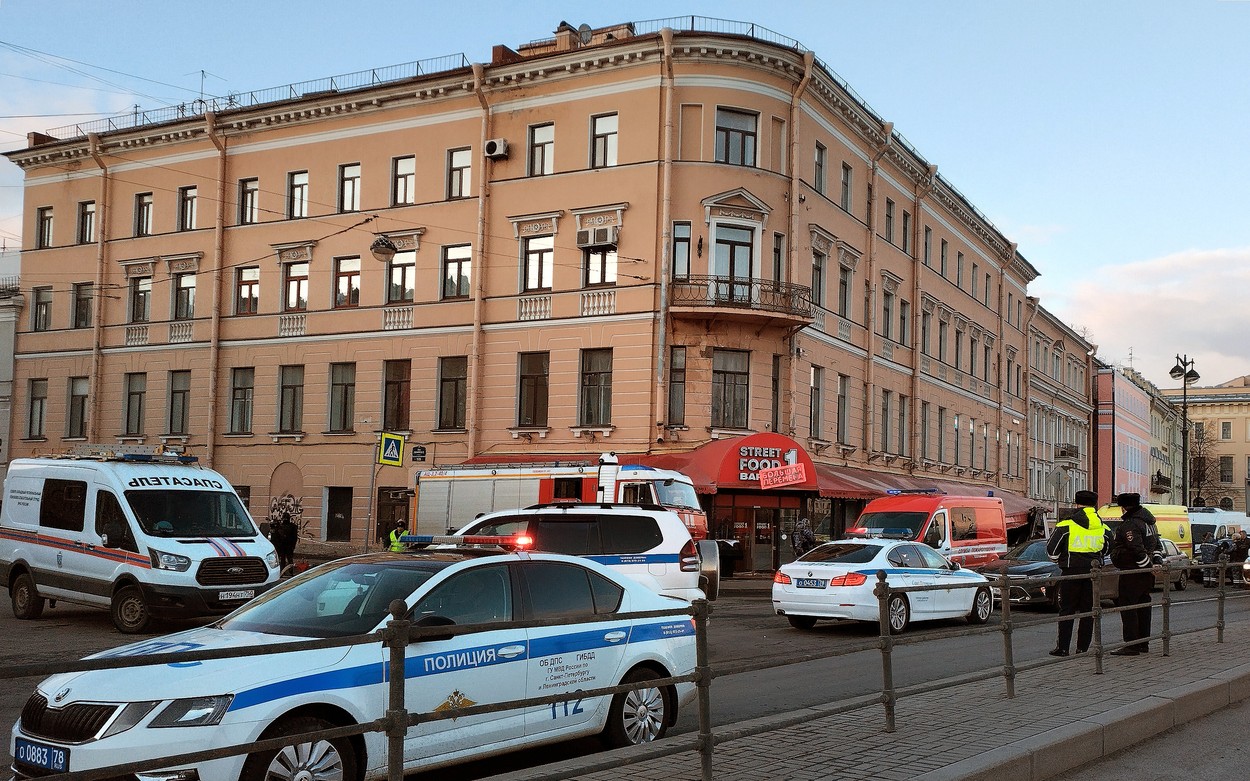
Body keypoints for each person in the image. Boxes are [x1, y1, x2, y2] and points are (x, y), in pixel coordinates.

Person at [1046, 489, 1112, 657]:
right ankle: (1082, 648)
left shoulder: (1065, 525)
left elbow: (1052, 551)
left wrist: (1062, 560)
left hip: (1071, 572)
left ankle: (1063, 648)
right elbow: (1108, 549)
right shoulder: (1103, 527)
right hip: (1093, 574)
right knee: (1088, 611)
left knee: (1067, 610)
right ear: (1095, 504)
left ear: (1076, 504)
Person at [1108, 493, 1163, 656]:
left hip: (1132, 571)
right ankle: (1143, 643)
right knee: (1143, 606)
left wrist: (1147, 567)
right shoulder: (1149, 522)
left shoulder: (1130, 524)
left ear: (1124, 507)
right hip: (1144, 574)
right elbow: (1157, 545)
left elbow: (1136, 549)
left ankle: (1132, 644)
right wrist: (1155, 563)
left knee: (1129, 607)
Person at [269, 512, 298, 576]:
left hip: (284, 546)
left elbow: (277, 537)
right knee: (287, 559)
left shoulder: (282, 527)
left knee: (284, 559)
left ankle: (285, 572)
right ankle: (289, 572)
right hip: (286, 546)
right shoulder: (292, 526)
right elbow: (294, 538)